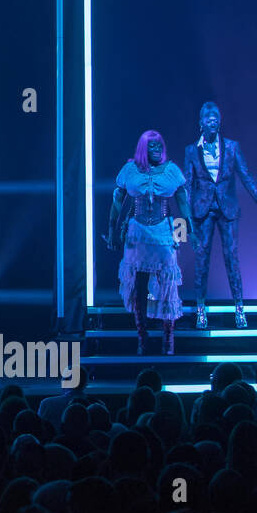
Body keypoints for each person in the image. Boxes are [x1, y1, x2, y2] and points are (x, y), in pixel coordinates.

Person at [182, 101, 257, 329]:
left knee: (232, 258)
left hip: (228, 209)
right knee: (202, 261)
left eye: (216, 117)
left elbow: (246, 178)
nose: (212, 121)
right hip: (202, 211)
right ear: (201, 123)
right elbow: (187, 185)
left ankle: (239, 309)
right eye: (208, 118)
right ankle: (201, 310)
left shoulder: (232, 147)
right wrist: (186, 220)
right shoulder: (191, 151)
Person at [106, 131, 194, 355]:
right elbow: (118, 200)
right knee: (138, 284)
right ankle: (142, 337)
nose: (157, 149)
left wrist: (187, 231)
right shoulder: (130, 170)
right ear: (143, 148)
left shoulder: (171, 171)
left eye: (159, 146)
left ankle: (168, 338)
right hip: (137, 231)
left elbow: (182, 201)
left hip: (163, 229)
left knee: (167, 282)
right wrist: (112, 230)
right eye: (152, 146)